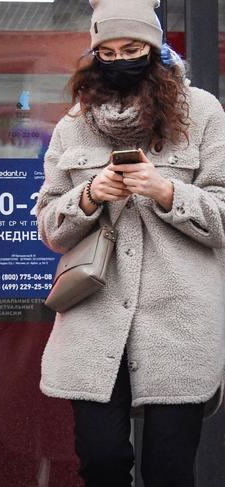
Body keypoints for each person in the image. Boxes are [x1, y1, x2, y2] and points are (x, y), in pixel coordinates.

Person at [35, 0, 225, 486]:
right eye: (109, 51)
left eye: (133, 47)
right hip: (95, 316)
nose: (121, 59)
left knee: (169, 467)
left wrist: (167, 191)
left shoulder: (202, 112)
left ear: (156, 48)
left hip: (178, 317)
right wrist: (90, 195)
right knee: (100, 460)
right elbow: (50, 226)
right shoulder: (72, 124)